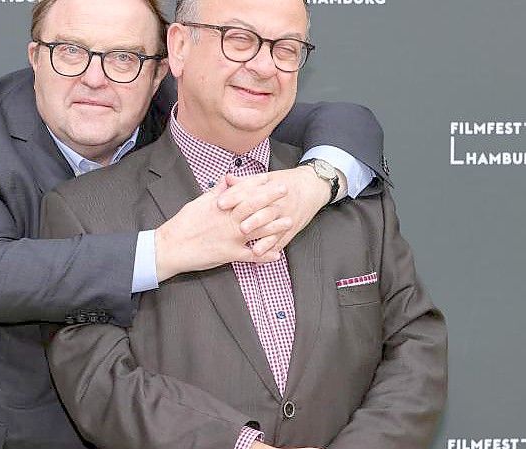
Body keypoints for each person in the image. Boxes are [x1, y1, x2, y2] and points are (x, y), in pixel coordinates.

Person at [0, 0, 390, 447]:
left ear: (162, 70)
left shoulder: (178, 109)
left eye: (124, 57)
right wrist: (165, 249)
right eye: (71, 51)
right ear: (35, 57)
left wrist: (315, 182)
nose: (95, 78)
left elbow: (347, 122)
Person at [42, 0, 448, 448]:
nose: (263, 66)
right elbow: (102, 383)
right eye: (239, 40)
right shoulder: (86, 212)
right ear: (178, 48)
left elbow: (415, 343)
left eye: (286, 49)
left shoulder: (349, 196)